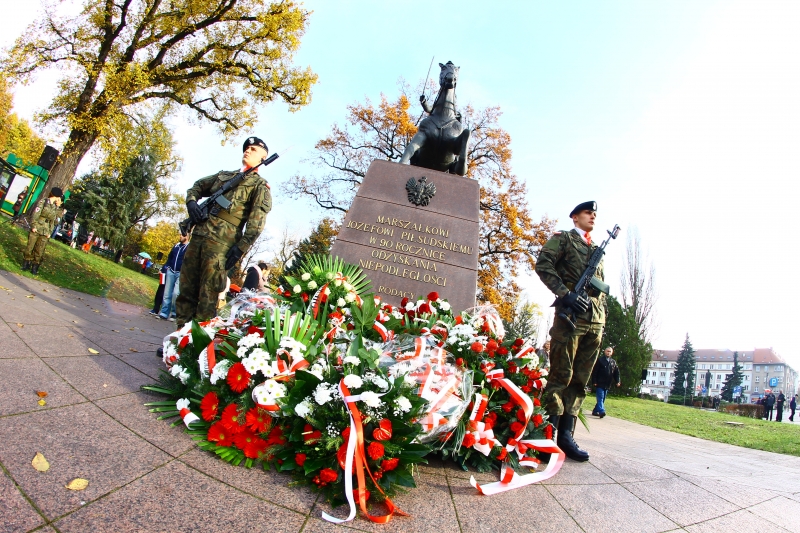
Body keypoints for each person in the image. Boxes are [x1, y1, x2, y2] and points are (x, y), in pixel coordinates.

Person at [534, 201, 607, 462]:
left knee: (580, 380)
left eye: (595, 214)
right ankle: (547, 436)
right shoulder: (564, 239)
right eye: (588, 212)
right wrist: (565, 294)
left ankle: (566, 436)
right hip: (570, 319)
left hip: (594, 321)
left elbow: (598, 288)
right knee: (561, 376)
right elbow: (543, 265)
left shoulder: (597, 249)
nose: (593, 216)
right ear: (575, 217)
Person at [175, 137, 272, 328]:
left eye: (253, 149)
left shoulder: (260, 186)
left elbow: (256, 225)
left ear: (264, 158)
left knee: (208, 295)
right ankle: (178, 338)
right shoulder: (224, 176)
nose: (248, 150)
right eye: (246, 148)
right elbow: (196, 187)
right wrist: (192, 203)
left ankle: (195, 345)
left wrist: (239, 250)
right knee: (186, 290)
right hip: (199, 237)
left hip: (222, 246)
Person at [22, 187, 65, 275]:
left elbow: (55, 221)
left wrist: (58, 208)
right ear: (56, 196)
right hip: (37, 227)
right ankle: (26, 263)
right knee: (30, 247)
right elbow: (35, 214)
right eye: (59, 197)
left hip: (46, 231)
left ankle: (35, 267)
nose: (59, 199)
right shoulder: (44, 202)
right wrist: (33, 225)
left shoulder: (56, 207)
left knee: (40, 250)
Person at [159, 234, 190, 321]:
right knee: (167, 293)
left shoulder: (189, 248)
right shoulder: (176, 246)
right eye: (180, 234)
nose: (180, 236)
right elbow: (170, 257)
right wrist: (167, 267)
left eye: (183, 235)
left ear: (187, 237)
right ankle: (164, 313)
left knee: (176, 293)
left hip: (180, 273)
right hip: (171, 271)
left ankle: (174, 313)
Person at [590, 346, 620, 418]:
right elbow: (595, 372)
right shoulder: (600, 360)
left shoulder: (613, 362)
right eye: (607, 351)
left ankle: (595, 411)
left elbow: (616, 373)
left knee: (603, 399)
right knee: (600, 397)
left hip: (607, 383)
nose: (608, 353)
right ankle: (601, 411)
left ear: (612, 353)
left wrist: (617, 381)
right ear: (605, 352)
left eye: (610, 351)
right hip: (600, 383)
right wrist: (594, 381)